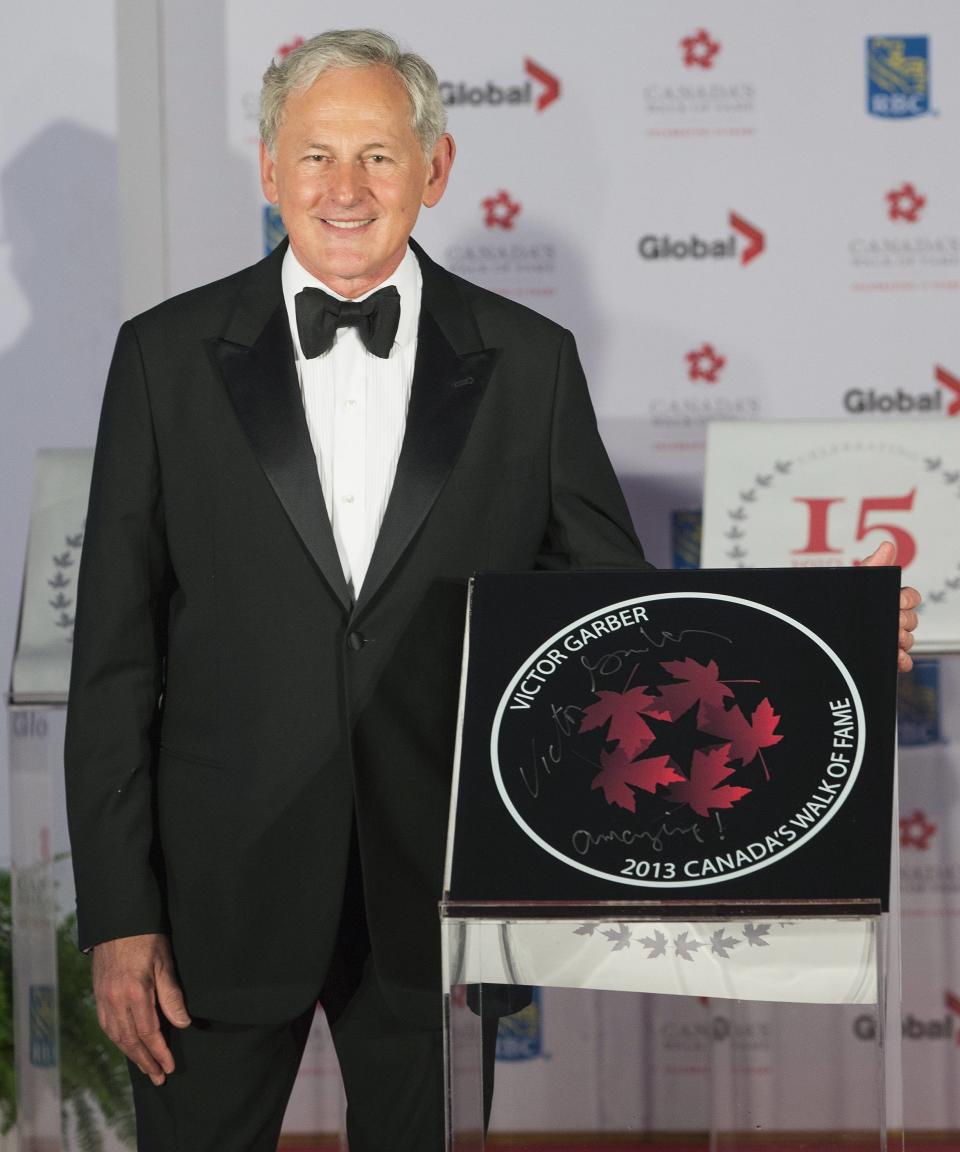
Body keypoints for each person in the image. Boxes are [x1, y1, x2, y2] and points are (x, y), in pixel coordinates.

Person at [64, 27, 920, 1152]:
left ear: (437, 167)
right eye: (316, 156)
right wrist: (121, 918)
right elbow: (117, 659)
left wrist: (827, 641)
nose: (346, 188)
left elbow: (616, 624)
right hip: (218, 897)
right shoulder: (163, 358)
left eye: (379, 153)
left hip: (450, 891)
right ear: (269, 169)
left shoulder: (530, 360)